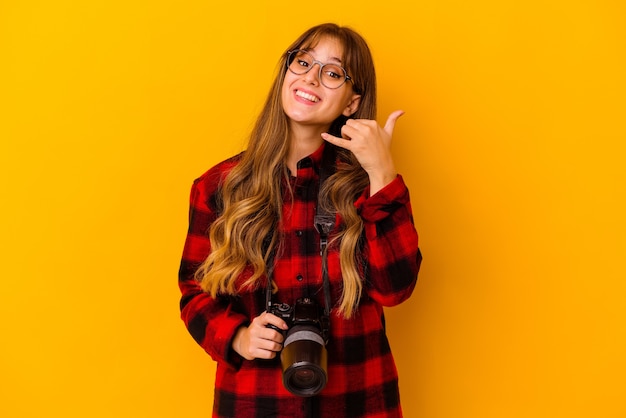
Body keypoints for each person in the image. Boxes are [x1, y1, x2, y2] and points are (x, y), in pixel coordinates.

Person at [179, 23, 422, 418]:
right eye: (303, 61)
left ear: (350, 103)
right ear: (285, 73)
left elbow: (396, 289)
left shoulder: (370, 187)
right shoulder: (219, 187)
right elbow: (194, 293)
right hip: (256, 402)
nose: (310, 77)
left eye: (332, 72)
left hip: (357, 399)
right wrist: (237, 337)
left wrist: (382, 174)